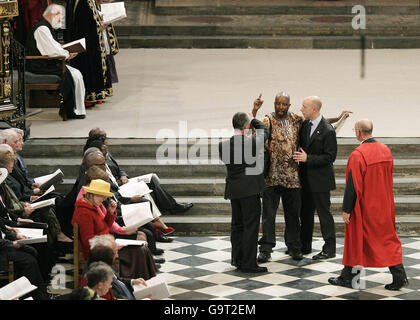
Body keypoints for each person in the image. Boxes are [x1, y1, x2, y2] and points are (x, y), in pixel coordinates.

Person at [255, 93, 350, 263]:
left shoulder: (296, 119)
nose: (281, 107)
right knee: (270, 215)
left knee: (294, 215)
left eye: (285, 104)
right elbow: (254, 128)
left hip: (293, 177)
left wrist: (339, 117)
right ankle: (266, 248)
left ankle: (295, 247)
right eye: (278, 104)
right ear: (275, 104)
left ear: (289, 105)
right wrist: (254, 109)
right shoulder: (268, 119)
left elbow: (319, 121)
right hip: (272, 176)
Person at [328, 119, 409, 291]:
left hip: (364, 206)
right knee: (387, 240)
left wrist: (346, 209)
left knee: (355, 240)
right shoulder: (385, 150)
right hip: (384, 205)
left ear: (358, 132)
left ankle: (348, 277)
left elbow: (352, 185)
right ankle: (398, 276)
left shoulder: (358, 154)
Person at [71, 179, 158, 279]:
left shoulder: (93, 206)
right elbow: (89, 241)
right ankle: (134, 282)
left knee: (142, 248)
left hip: (105, 244)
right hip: (99, 252)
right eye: (102, 195)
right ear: (93, 194)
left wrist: (110, 213)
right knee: (140, 250)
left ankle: (139, 282)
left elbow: (104, 227)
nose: (104, 199)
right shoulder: (84, 212)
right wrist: (113, 246)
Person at [219, 111, 269, 273]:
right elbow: (265, 130)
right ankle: (248, 263)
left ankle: (237, 258)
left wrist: (249, 122)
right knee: (250, 227)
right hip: (251, 190)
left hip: (234, 191)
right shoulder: (253, 143)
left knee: (237, 226)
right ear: (246, 126)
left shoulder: (223, 145)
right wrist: (254, 118)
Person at [293, 96, 337, 260]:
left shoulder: (327, 130)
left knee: (324, 214)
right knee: (305, 213)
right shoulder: (305, 125)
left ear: (314, 109)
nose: (301, 109)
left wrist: (308, 159)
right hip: (305, 179)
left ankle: (329, 248)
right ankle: (305, 246)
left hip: (320, 180)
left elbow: (329, 157)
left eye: (304, 106)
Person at [25, 4, 86, 120]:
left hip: (45, 62)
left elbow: (53, 47)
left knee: (76, 74)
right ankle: (70, 110)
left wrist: (66, 51)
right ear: (53, 14)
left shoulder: (46, 27)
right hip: (38, 65)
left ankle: (76, 109)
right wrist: (68, 53)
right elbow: (51, 51)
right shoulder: (42, 28)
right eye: (60, 16)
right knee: (72, 75)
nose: (61, 20)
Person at [65, 0, 112, 106]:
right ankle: (89, 97)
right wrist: (99, 26)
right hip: (86, 43)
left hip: (92, 42)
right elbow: (84, 26)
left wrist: (99, 22)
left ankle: (97, 95)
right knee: (87, 65)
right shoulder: (81, 3)